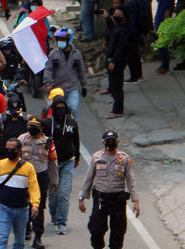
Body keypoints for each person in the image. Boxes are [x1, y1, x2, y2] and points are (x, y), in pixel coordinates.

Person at [78, 131, 140, 249]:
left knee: (118, 232)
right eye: (108, 141)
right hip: (101, 199)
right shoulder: (97, 157)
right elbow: (89, 178)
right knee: (96, 229)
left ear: (117, 142)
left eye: (113, 141)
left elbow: (131, 180)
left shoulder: (124, 159)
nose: (110, 143)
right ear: (103, 142)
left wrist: (135, 200)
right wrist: (82, 197)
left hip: (118, 200)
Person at [0, 138, 41, 249]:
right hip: (3, 208)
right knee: (2, 239)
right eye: (7, 149)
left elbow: (34, 188)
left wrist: (35, 205)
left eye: (12, 149)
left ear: (19, 150)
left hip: (22, 210)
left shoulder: (28, 168)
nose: (9, 151)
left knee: (20, 242)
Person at [18, 116, 58, 248]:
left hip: (41, 177)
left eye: (35, 126)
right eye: (30, 125)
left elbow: (52, 162)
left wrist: (54, 180)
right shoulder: (22, 139)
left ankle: (38, 237)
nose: (32, 128)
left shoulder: (47, 142)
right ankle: (26, 228)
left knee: (39, 207)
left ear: (41, 128)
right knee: (24, 204)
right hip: (24, 178)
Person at [43, 94, 80, 236]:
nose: (60, 111)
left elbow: (76, 141)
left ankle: (62, 221)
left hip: (68, 161)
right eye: (57, 108)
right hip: (52, 163)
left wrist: (77, 157)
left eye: (62, 108)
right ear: (53, 108)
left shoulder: (72, 123)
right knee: (53, 194)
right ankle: (54, 215)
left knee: (64, 193)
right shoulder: (47, 124)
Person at [42, 28, 87, 118]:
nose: (60, 42)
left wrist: (84, 86)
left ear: (69, 40)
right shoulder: (53, 54)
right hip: (57, 88)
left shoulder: (77, 54)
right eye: (59, 40)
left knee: (73, 109)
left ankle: (72, 129)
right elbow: (48, 69)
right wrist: (47, 83)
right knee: (54, 112)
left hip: (72, 88)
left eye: (63, 40)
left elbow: (81, 71)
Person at [104, 8, 130, 119]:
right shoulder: (116, 27)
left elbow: (121, 48)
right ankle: (117, 107)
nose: (116, 16)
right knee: (114, 85)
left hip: (117, 61)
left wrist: (114, 61)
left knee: (117, 85)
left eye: (119, 15)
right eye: (115, 14)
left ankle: (117, 109)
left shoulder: (123, 31)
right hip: (112, 58)